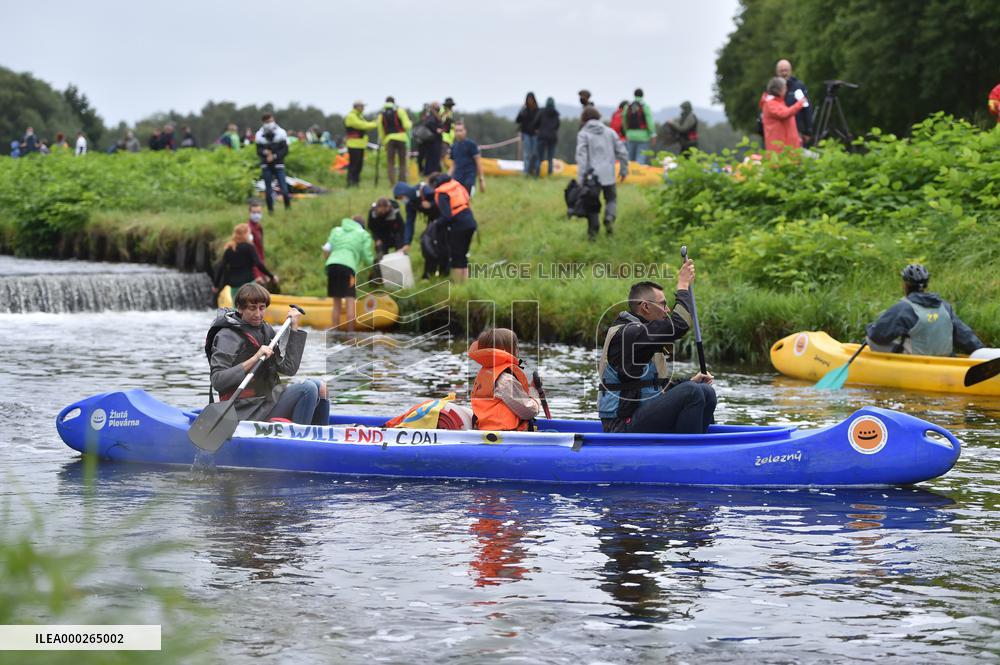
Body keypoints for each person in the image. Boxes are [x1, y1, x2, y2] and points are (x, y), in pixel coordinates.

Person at [599, 270, 717, 435]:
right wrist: (683, 286)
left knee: (705, 391)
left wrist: (688, 381)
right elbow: (679, 324)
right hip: (621, 426)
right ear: (645, 306)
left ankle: (699, 443)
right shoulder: (630, 334)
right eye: (663, 304)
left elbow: (652, 387)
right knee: (692, 391)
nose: (667, 310)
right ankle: (688, 451)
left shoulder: (644, 335)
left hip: (642, 415)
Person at [207, 282, 329, 426]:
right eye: (252, 308)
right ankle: (299, 440)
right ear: (240, 308)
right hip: (245, 410)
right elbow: (218, 381)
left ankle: (322, 433)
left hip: (269, 401)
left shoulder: (265, 330)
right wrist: (254, 359)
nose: (258, 314)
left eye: (262, 308)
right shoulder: (227, 336)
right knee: (307, 389)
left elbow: (289, 369)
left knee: (321, 387)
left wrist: (294, 329)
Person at [866, 264, 985, 357]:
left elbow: (877, 336)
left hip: (916, 362)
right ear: (926, 285)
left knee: (870, 340)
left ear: (905, 285)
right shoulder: (945, 307)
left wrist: (871, 327)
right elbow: (965, 336)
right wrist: (981, 351)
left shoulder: (903, 308)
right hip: (944, 360)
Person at [469, 328, 541, 431]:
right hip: (508, 434)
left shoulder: (486, 373)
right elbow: (529, 411)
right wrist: (534, 391)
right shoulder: (506, 380)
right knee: (552, 432)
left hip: (485, 429)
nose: (518, 350)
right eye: (516, 346)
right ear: (506, 350)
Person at [575, 106, 628, 241]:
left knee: (592, 204)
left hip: (592, 177)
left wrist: (581, 179)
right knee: (611, 199)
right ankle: (609, 217)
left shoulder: (583, 134)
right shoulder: (610, 132)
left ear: (584, 119)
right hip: (609, 175)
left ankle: (593, 232)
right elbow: (622, 152)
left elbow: (581, 157)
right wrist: (623, 169)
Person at [323, 216, 375, 332]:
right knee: (350, 300)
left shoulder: (337, 230)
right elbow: (367, 256)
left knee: (336, 303)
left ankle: (335, 332)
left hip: (332, 266)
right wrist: (374, 266)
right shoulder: (363, 234)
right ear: (362, 226)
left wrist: (328, 260)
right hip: (348, 267)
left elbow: (326, 249)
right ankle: (350, 334)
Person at [431, 172, 477, 282]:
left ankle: (457, 285)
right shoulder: (456, 186)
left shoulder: (442, 193)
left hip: (459, 226)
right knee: (463, 254)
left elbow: (447, 216)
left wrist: (436, 223)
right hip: (470, 222)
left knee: (456, 256)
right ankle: (465, 284)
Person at [214, 223, 277, 301]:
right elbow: (258, 264)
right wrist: (271, 276)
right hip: (249, 282)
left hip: (234, 285)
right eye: (249, 233)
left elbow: (221, 267)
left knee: (236, 307)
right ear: (245, 234)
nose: (250, 235)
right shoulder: (249, 247)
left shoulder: (229, 249)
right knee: (251, 305)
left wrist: (216, 285)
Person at [759, 76, 806, 155]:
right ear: (778, 89)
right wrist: (799, 104)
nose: (786, 90)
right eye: (784, 87)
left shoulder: (777, 102)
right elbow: (784, 114)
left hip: (786, 146)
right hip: (779, 149)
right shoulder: (770, 104)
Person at [255, 113, 292, 212]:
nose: (269, 124)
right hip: (266, 165)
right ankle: (271, 211)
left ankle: (288, 209)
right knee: (268, 190)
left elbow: (285, 150)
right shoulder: (259, 135)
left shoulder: (281, 133)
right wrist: (265, 152)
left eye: (270, 121)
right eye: (267, 122)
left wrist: (274, 156)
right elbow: (258, 150)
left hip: (279, 164)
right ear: (263, 123)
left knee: (284, 189)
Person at [393, 181, 438, 257]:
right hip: (433, 220)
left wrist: (431, 204)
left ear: (405, 192)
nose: (402, 200)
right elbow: (409, 223)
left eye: (401, 197)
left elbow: (441, 199)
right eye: (399, 199)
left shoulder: (423, 190)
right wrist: (407, 243)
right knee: (426, 240)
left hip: (444, 217)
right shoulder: (410, 204)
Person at [776, 59, 813, 146]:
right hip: (778, 131)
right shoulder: (773, 88)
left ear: (790, 71)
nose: (784, 73)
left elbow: (807, 108)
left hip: (797, 129)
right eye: (782, 71)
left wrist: (808, 130)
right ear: (777, 72)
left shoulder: (798, 86)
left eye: (786, 70)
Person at [378, 96, 412, 186]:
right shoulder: (399, 111)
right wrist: (410, 123)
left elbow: (381, 130)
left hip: (389, 139)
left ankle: (392, 183)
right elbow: (407, 125)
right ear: (394, 102)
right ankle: (402, 182)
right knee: (402, 162)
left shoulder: (382, 114)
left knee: (390, 163)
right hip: (401, 138)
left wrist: (384, 141)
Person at [344, 100, 377, 187]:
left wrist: (373, 123)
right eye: (362, 106)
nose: (363, 108)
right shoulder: (351, 116)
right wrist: (376, 123)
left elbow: (366, 124)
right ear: (356, 107)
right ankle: (351, 183)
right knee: (354, 166)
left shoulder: (359, 116)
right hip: (353, 145)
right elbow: (363, 125)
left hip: (360, 145)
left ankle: (356, 182)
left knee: (359, 166)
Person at [448, 121, 485, 195]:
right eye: (456, 131)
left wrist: (481, 180)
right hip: (457, 178)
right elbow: (453, 165)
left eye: (460, 130)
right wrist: (446, 177)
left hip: (469, 178)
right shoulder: (453, 146)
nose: (458, 133)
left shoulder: (471, 145)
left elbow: (478, 162)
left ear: (465, 131)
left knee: (467, 199)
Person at [622, 88, 656, 165]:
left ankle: (628, 176)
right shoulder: (645, 106)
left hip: (630, 135)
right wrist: (653, 134)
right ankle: (638, 175)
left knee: (629, 159)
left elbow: (624, 120)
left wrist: (626, 132)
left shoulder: (628, 106)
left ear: (634, 95)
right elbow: (649, 121)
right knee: (640, 159)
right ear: (643, 95)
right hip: (643, 137)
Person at [515, 92, 540, 177]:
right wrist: (521, 110)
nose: (530, 101)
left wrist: (538, 129)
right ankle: (526, 172)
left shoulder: (537, 110)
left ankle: (534, 171)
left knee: (535, 154)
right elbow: (518, 120)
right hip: (526, 134)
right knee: (527, 154)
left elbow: (540, 121)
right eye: (528, 99)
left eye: (531, 99)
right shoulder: (524, 110)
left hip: (535, 135)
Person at [534, 98, 560, 177]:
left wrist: (538, 130)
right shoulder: (556, 114)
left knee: (539, 157)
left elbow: (536, 123)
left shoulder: (542, 112)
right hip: (552, 138)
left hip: (542, 137)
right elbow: (557, 126)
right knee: (550, 158)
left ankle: (537, 174)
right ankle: (549, 175)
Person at [245, 199, 268, 285]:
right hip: (253, 272)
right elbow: (250, 255)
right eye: (254, 212)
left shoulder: (259, 227)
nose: (256, 215)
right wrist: (257, 275)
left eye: (258, 212)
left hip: (260, 265)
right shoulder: (248, 229)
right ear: (249, 213)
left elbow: (260, 251)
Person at [418, 101, 444, 176]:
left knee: (431, 158)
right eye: (437, 105)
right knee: (433, 158)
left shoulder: (432, 115)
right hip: (433, 141)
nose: (439, 107)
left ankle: (432, 172)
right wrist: (436, 129)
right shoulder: (432, 116)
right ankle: (432, 173)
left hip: (432, 141)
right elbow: (429, 124)